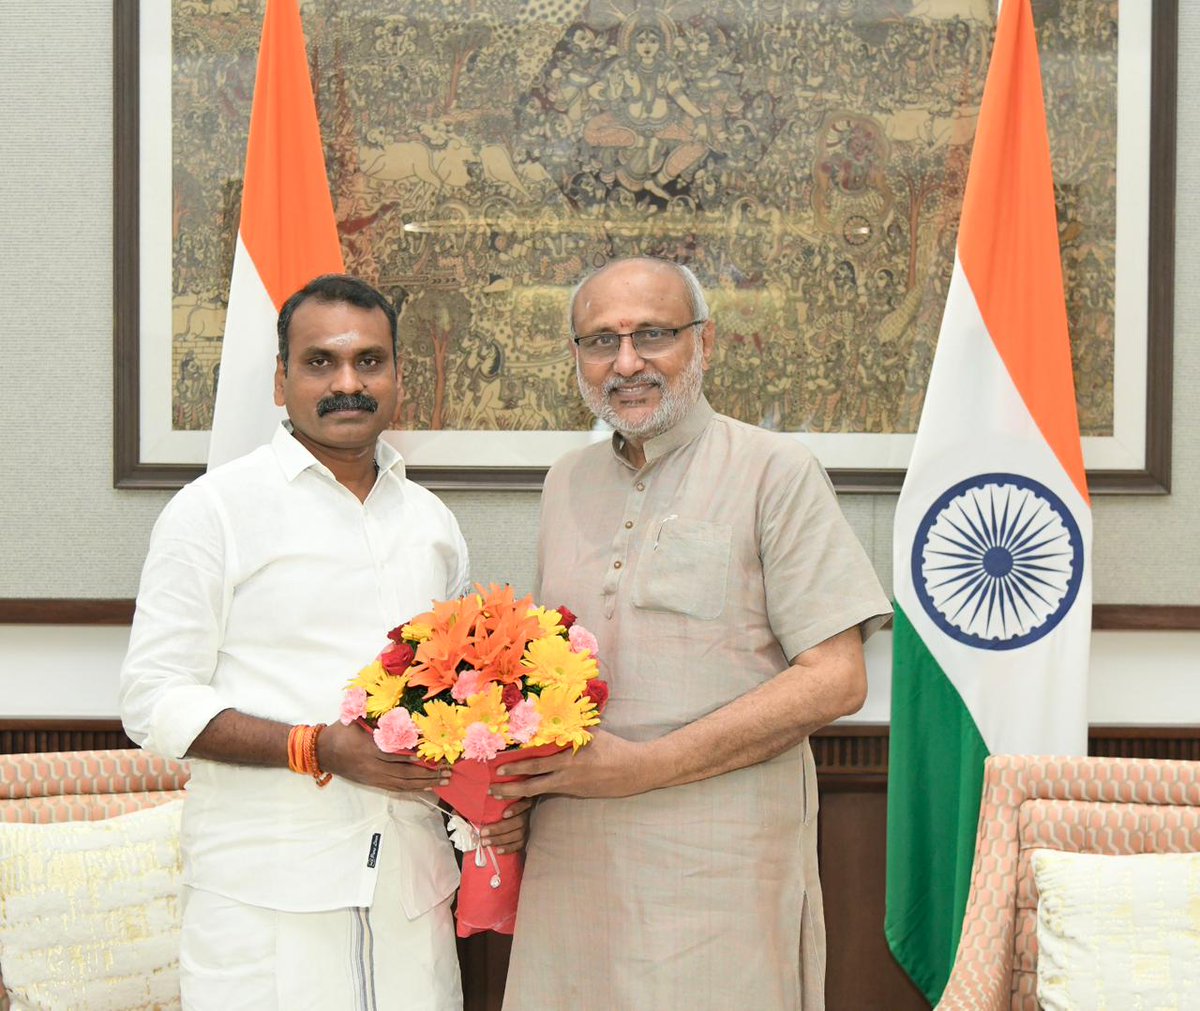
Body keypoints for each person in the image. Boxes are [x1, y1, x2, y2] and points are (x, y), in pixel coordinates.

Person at [493, 256, 891, 1009]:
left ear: (704, 344)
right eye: (600, 341)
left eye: (653, 334)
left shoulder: (777, 470)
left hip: (718, 870)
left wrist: (639, 768)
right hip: (574, 861)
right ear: (576, 357)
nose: (627, 362)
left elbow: (837, 677)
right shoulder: (564, 483)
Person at [120, 274, 528, 1008]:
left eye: (370, 361)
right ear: (281, 382)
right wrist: (316, 746)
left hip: (411, 896)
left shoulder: (432, 524)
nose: (348, 381)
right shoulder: (214, 511)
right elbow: (152, 700)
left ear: (398, 375)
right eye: (321, 362)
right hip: (263, 902)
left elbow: (462, 695)